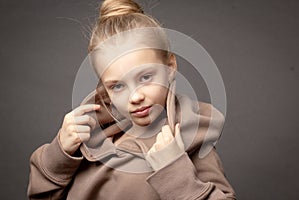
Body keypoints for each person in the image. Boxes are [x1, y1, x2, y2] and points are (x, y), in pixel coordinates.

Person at [27, 0, 236, 199]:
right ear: (104, 88)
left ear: (170, 67)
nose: (135, 97)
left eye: (145, 77)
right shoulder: (90, 133)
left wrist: (173, 168)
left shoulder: (189, 135)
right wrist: (59, 153)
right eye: (117, 86)